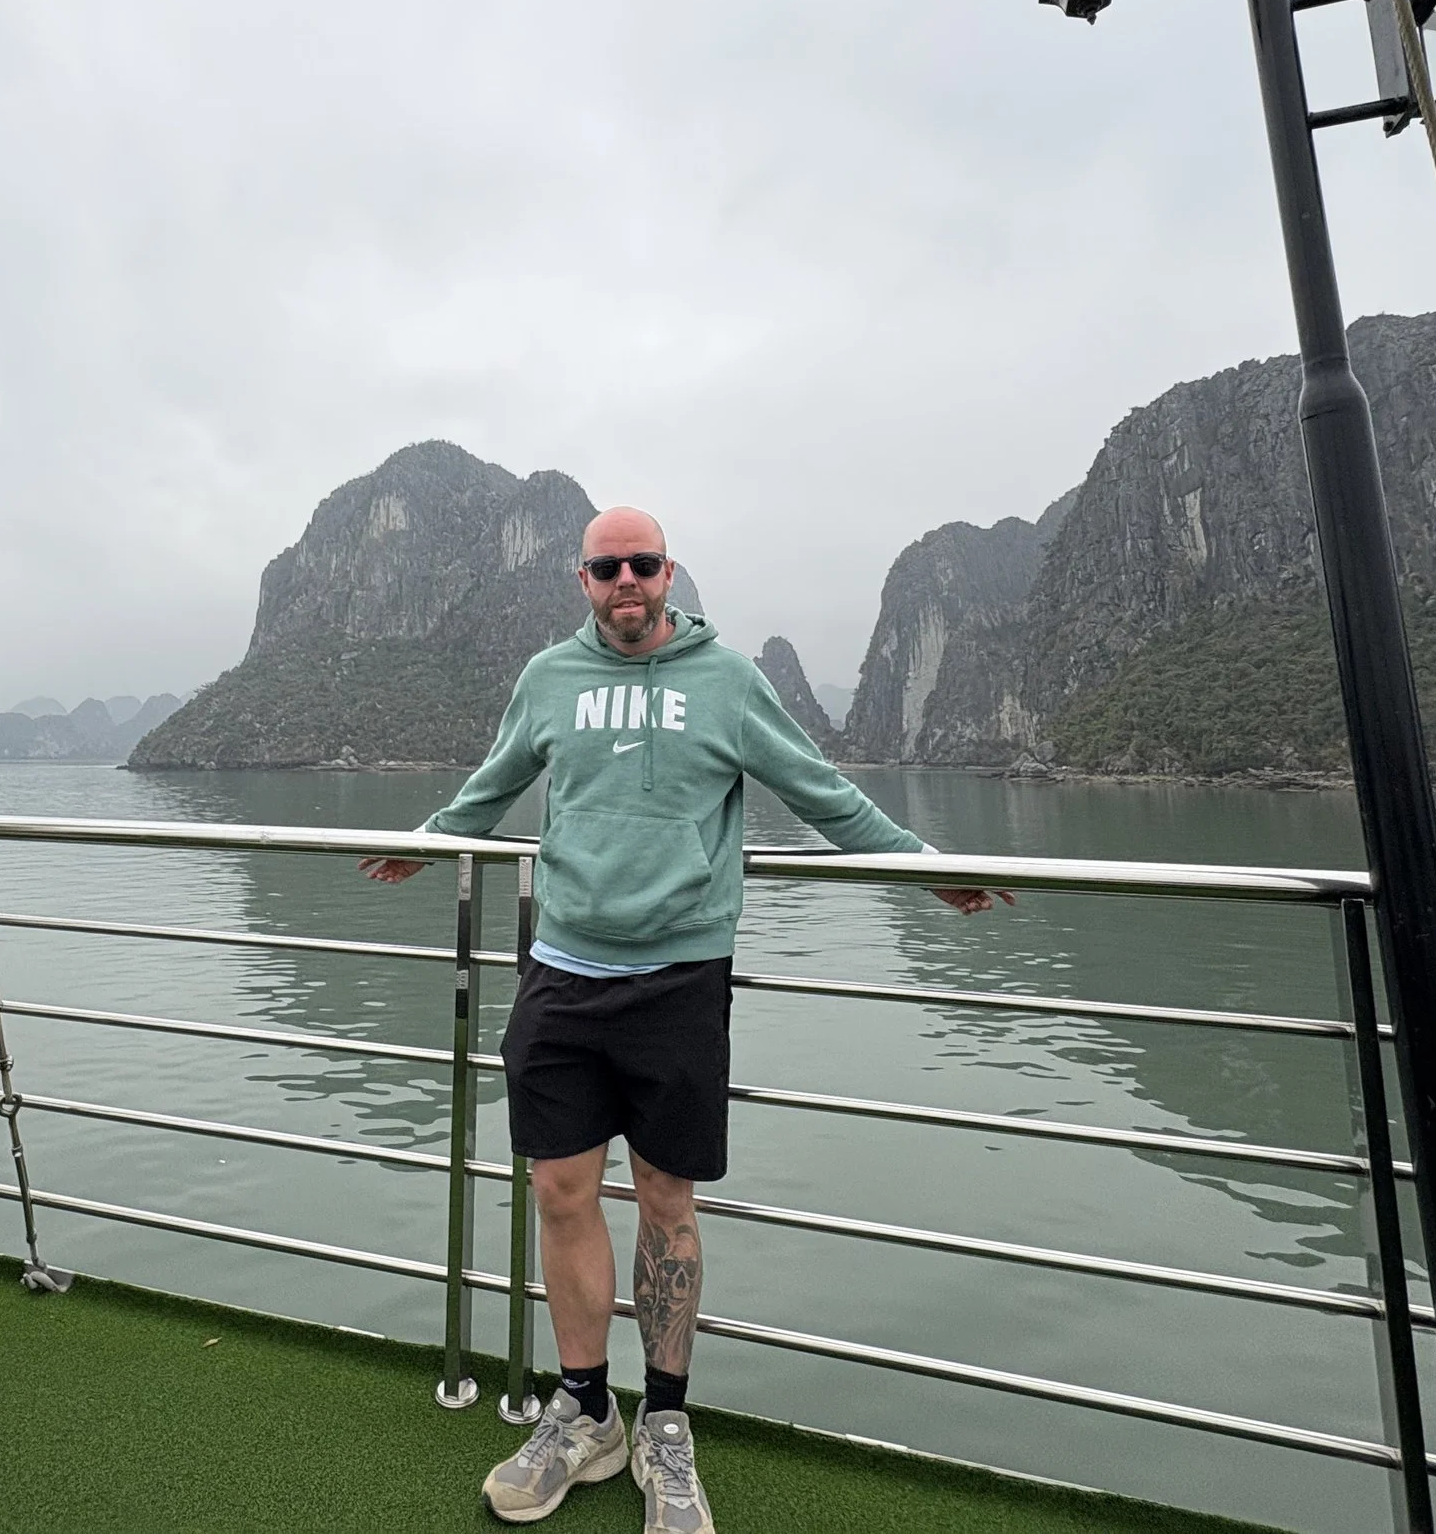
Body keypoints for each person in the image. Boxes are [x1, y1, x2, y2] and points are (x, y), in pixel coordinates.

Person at [362, 506, 1005, 1532]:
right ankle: (583, 1413)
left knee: (666, 1200)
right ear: (582, 581)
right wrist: (431, 841)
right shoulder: (547, 680)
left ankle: (664, 1426)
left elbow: (819, 789)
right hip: (563, 976)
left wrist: (925, 869)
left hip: (677, 981)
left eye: (643, 564)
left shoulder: (728, 680)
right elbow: (492, 786)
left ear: (669, 575)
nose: (626, 580)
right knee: (561, 1191)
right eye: (606, 566)